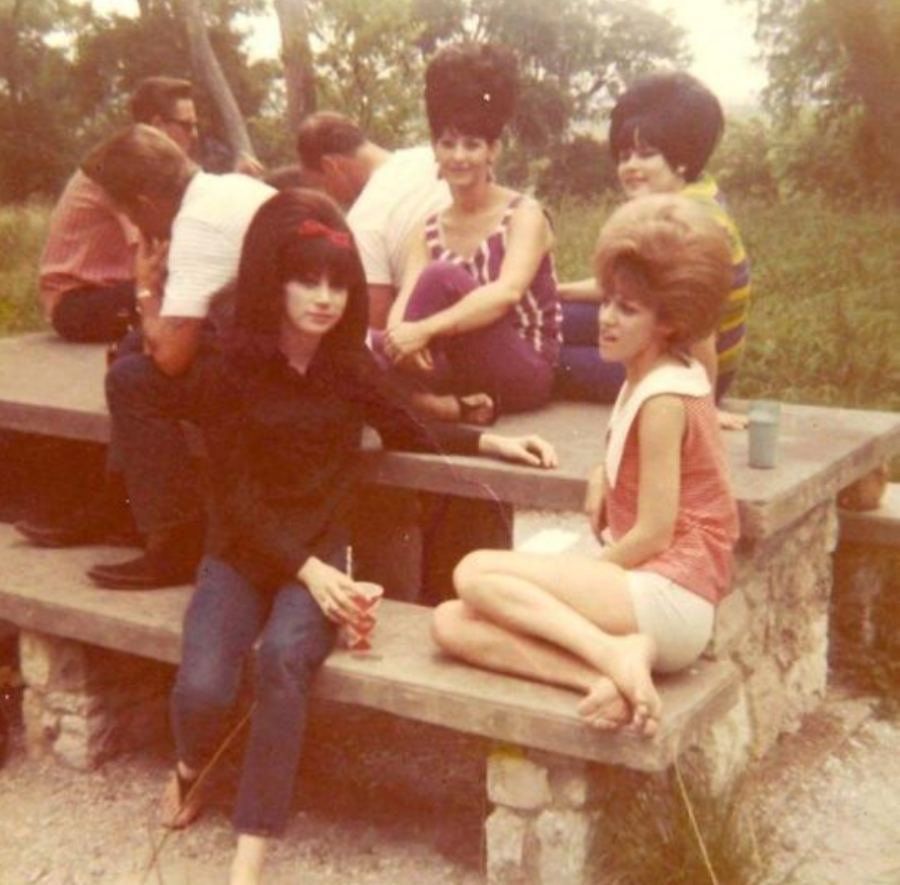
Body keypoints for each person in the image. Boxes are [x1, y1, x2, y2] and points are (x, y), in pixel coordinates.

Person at [160, 188, 556, 885]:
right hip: (244, 552)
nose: (324, 298)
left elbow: (409, 424)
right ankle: (191, 764)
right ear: (271, 281)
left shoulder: (346, 364)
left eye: (338, 283)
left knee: (286, 658)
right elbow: (235, 499)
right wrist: (307, 569)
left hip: (321, 552)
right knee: (205, 688)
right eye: (305, 279)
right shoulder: (228, 367)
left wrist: (493, 440)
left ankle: (249, 853)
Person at [432, 194, 740, 737]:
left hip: (672, 595)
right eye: (608, 301)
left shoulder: (665, 396)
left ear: (670, 321)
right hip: (648, 595)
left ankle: (612, 650)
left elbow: (654, 531)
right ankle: (602, 672)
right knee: (450, 623)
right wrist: (603, 475)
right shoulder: (647, 373)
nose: (606, 319)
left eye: (628, 309)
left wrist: (575, 576)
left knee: (475, 572)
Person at [15, 126, 275, 589]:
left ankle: (176, 539)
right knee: (135, 347)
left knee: (131, 379)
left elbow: (172, 361)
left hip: (278, 377)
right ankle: (123, 502)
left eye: (130, 214)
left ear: (146, 203)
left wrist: (144, 287)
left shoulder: (196, 227)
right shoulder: (231, 187)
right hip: (277, 347)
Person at [379, 42, 562, 425]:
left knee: (441, 277)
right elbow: (406, 301)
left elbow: (505, 293)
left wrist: (422, 330)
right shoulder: (427, 228)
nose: (458, 156)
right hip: (460, 369)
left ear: (492, 150)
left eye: (472, 144)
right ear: (435, 150)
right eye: (448, 144)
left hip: (523, 369)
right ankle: (442, 404)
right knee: (367, 341)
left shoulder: (524, 215)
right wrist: (399, 335)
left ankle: (404, 394)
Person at [556, 71, 751, 429]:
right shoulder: (695, 192)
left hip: (686, 369)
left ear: (681, 159)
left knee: (548, 356)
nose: (631, 167)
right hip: (664, 338)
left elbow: (700, 329)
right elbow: (643, 285)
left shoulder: (689, 222)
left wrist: (702, 405)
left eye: (647, 155)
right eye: (625, 155)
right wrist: (561, 290)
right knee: (550, 315)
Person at [40, 77, 200, 343]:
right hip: (77, 303)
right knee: (193, 286)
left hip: (110, 291)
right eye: (187, 125)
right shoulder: (121, 170)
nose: (194, 134)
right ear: (158, 126)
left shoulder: (145, 166)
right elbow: (157, 252)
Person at [296, 111, 451, 329]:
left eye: (322, 185)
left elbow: (376, 320)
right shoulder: (433, 157)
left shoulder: (363, 220)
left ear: (331, 166)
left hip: (434, 331)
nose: (328, 196)